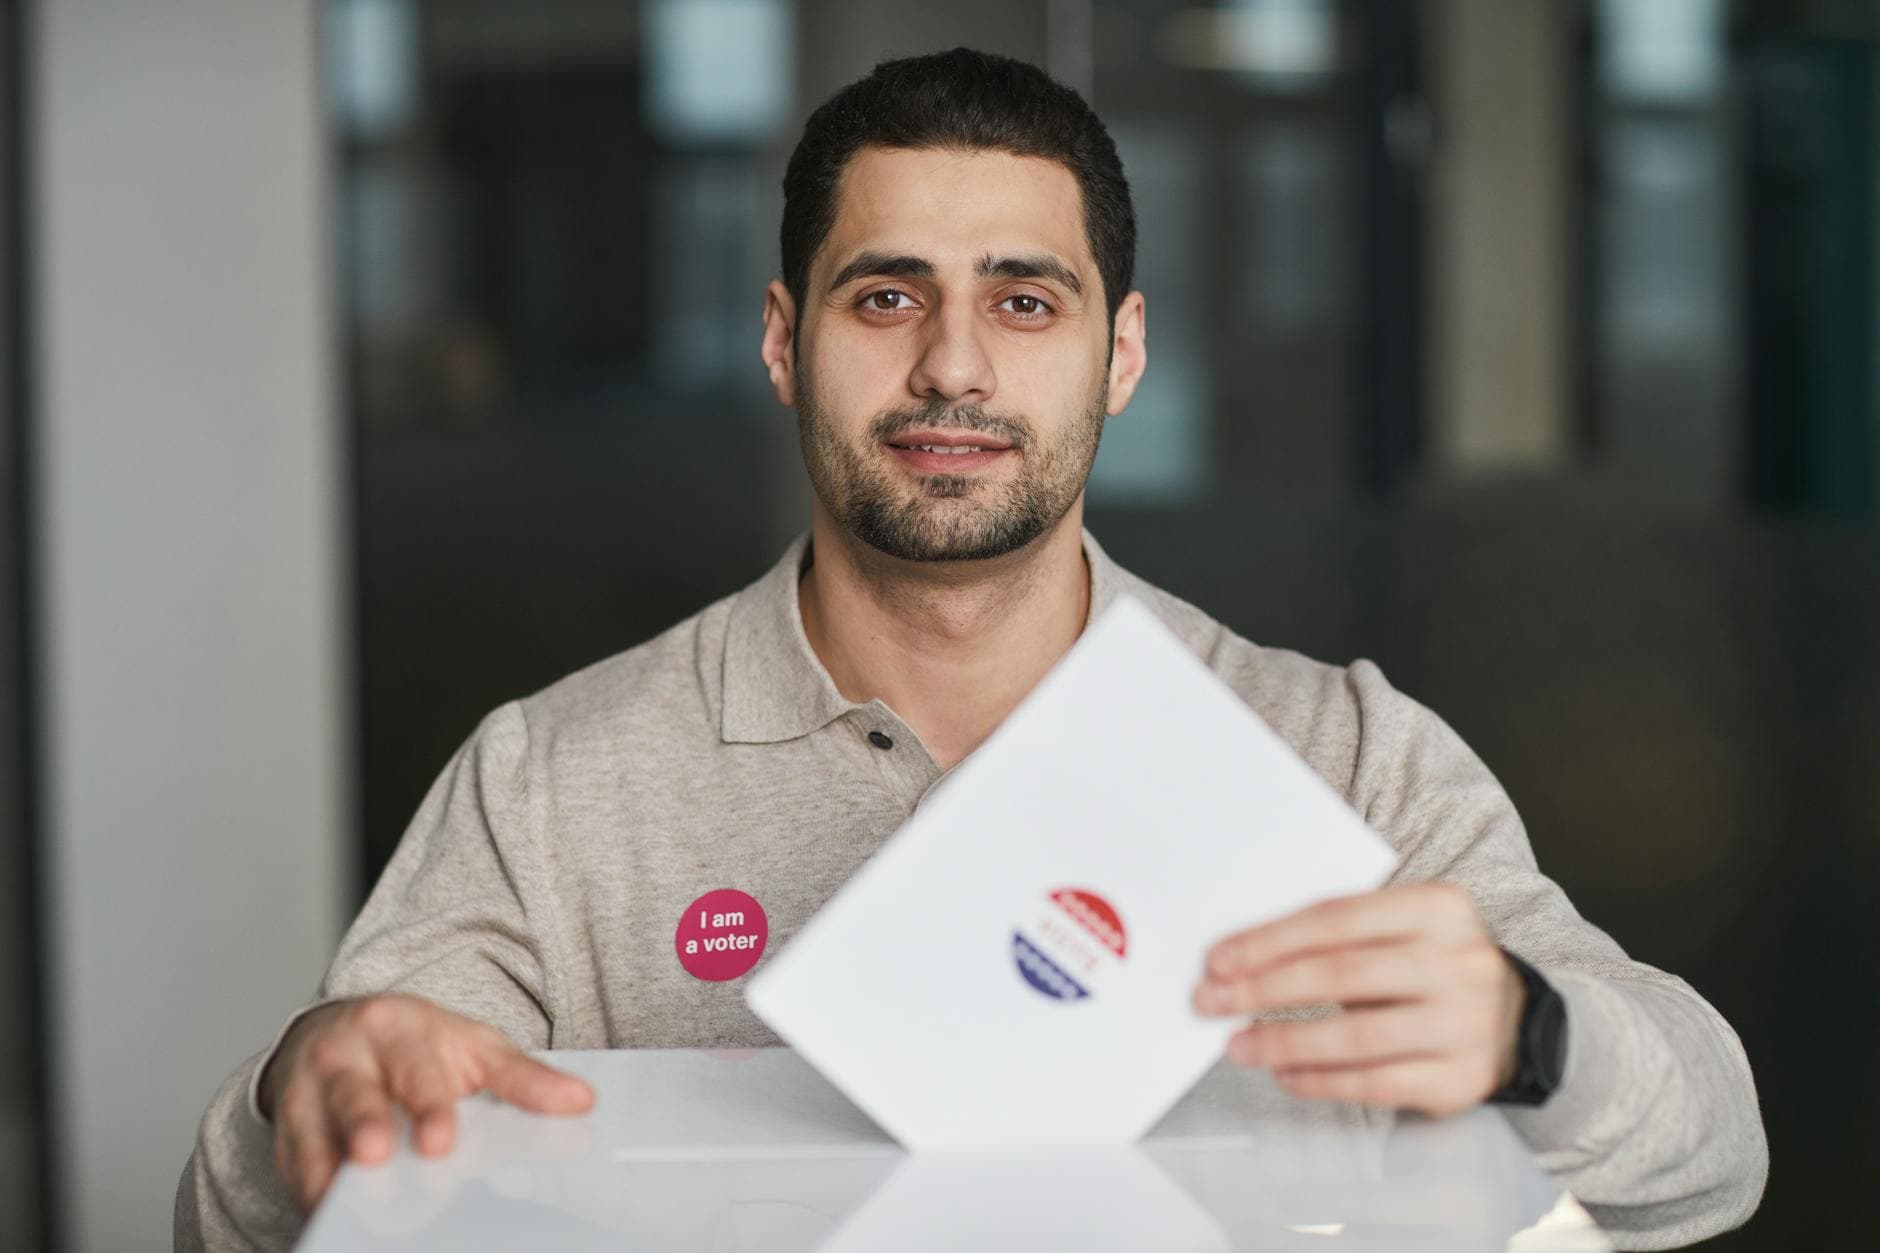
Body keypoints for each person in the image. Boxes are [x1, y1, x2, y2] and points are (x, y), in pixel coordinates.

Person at [176, 47, 1765, 1251]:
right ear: (786, 343)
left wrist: (1527, 1033)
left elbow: (1713, 1151)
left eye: (1023, 299)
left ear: (1120, 352)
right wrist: (302, 1087)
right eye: (886, 298)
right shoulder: (551, 778)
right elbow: (246, 1215)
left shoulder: (1335, 751)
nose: (952, 366)